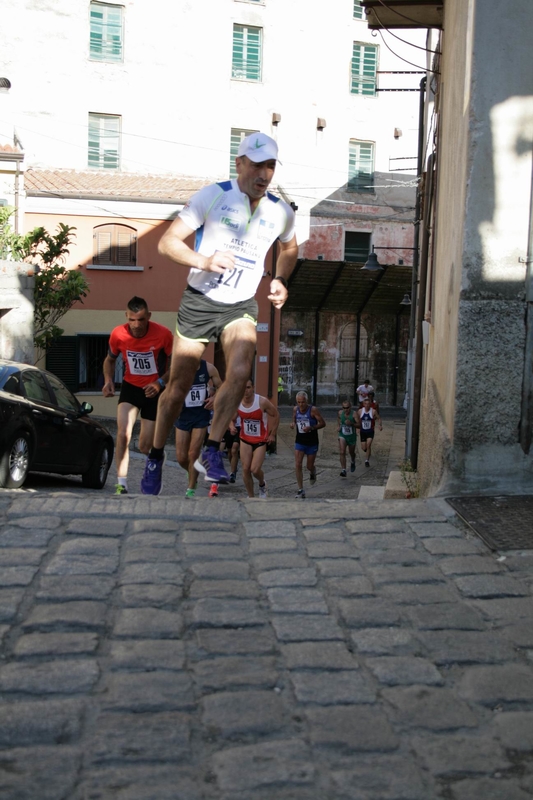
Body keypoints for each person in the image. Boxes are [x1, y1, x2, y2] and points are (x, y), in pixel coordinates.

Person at [140, 132, 298, 495]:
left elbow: (289, 248)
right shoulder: (213, 196)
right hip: (199, 300)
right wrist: (204, 261)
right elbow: (167, 243)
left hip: (240, 305)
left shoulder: (280, 211)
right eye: (256, 164)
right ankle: (155, 456)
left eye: (270, 166)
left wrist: (281, 280)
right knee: (177, 389)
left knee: (241, 373)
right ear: (239, 163)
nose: (263, 173)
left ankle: (211, 450)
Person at [102, 296, 173, 495]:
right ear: (126, 316)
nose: (136, 325)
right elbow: (109, 360)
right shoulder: (118, 334)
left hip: (154, 391)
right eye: (132, 320)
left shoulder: (163, 334)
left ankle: (155, 459)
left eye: (141, 320)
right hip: (130, 388)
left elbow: (176, 366)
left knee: (144, 446)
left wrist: (160, 383)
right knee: (123, 434)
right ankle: (121, 484)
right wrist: (108, 380)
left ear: (148, 316)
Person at [174, 360, 221, 498]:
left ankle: (191, 489)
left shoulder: (209, 368)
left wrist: (214, 398)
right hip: (183, 416)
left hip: (201, 416)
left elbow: (221, 386)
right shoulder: (179, 367)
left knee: (193, 453)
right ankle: (191, 471)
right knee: (181, 457)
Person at [235, 378, 279, 498]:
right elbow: (231, 416)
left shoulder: (262, 402)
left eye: (248, 387)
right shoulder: (237, 401)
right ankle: (251, 497)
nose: (246, 391)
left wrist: (272, 434)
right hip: (245, 439)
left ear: (253, 388)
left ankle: (262, 483)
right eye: (243, 388)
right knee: (245, 469)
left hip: (260, 440)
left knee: (254, 469)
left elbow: (276, 414)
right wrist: (230, 426)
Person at [290, 391, 326, 499]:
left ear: (307, 401)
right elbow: (294, 419)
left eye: (303, 402)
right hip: (300, 441)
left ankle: (313, 471)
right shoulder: (295, 409)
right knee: (298, 464)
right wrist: (293, 424)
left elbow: (323, 423)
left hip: (312, 442)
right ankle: (300, 489)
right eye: (299, 402)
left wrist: (311, 427)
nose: (301, 404)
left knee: (309, 466)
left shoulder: (313, 410)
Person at [357, 396, 382, 467]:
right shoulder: (360, 411)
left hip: (370, 431)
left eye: (368, 404)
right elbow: (357, 419)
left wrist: (380, 425)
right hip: (363, 431)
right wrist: (357, 428)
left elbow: (379, 418)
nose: (367, 405)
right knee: (363, 448)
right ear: (363, 404)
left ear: (370, 404)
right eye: (366, 404)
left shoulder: (373, 411)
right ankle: (367, 451)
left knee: (368, 445)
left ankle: (366, 460)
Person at [337, 399, 359, 477]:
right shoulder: (340, 413)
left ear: (350, 407)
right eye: (344, 408)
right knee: (342, 452)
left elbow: (359, 425)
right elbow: (339, 421)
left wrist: (352, 424)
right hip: (342, 435)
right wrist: (339, 427)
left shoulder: (354, 414)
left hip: (351, 436)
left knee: (351, 452)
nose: (346, 409)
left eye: (347, 407)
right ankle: (343, 470)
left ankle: (353, 461)